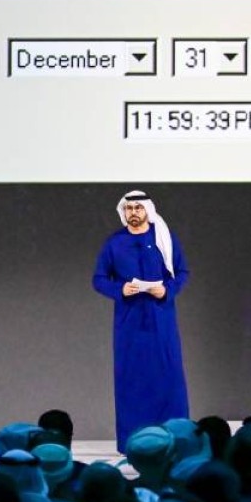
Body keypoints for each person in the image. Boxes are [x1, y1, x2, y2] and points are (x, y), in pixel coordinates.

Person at [92, 191, 191, 453]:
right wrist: (120, 289)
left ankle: (175, 441)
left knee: (168, 377)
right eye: (129, 208)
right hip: (129, 324)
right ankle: (134, 443)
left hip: (161, 321)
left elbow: (182, 272)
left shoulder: (164, 238)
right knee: (131, 380)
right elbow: (99, 279)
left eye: (138, 207)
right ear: (123, 212)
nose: (133, 212)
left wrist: (167, 290)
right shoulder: (115, 243)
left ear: (148, 210)